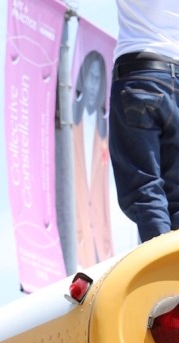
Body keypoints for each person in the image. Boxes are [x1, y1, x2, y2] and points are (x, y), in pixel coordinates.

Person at [109, 1, 179, 242]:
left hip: (139, 73)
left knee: (144, 189)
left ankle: (163, 269)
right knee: (178, 196)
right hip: (178, 78)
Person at [72, 50, 113, 267]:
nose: (93, 86)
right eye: (90, 77)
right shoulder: (71, 129)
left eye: (98, 79)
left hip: (101, 240)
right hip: (77, 238)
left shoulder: (104, 133)